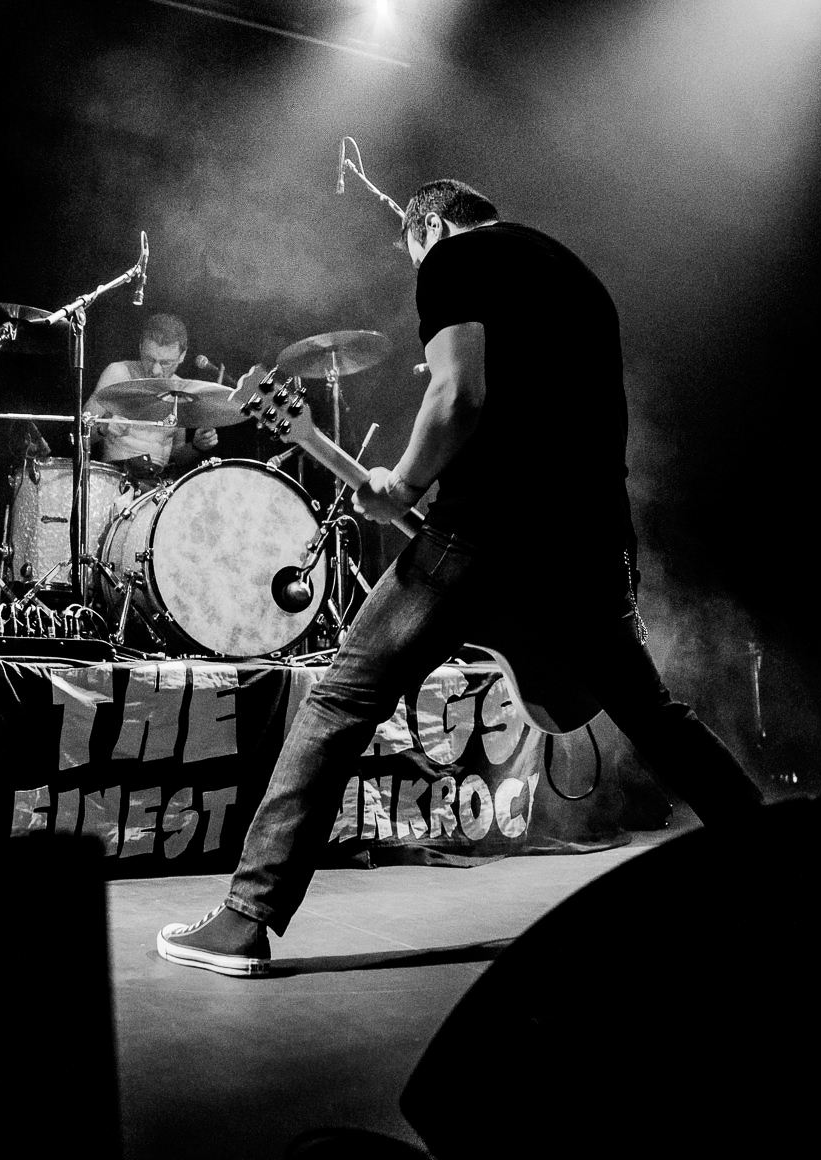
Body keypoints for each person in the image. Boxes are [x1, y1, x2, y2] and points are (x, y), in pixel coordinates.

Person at [157, 179, 763, 976]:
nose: (420, 272)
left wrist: (405, 482)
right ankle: (779, 859)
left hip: (489, 527)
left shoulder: (454, 258)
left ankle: (246, 919)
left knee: (342, 698)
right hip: (592, 534)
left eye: (416, 256)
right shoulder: (575, 275)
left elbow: (459, 392)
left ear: (431, 226)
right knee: (653, 714)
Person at [85, 311, 221, 484]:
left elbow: (176, 456)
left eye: (165, 363)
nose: (156, 370)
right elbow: (78, 436)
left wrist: (196, 446)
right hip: (117, 480)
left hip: (157, 485)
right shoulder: (119, 374)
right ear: (141, 347)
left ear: (182, 356)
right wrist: (103, 429)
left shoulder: (181, 390)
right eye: (149, 359)